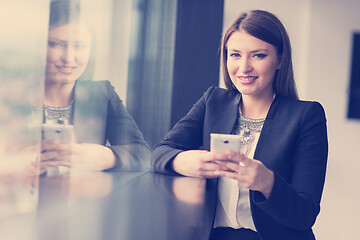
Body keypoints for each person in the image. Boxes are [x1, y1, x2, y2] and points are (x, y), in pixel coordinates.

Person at [151, 10, 328, 240]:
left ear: (280, 60)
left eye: (258, 55)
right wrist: (185, 161)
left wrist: (267, 183)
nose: (243, 67)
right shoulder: (212, 101)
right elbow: (159, 153)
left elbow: (305, 214)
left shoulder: (307, 116)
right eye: (235, 55)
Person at [40, 0, 150, 173]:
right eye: (57, 44)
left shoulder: (102, 94)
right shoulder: (12, 93)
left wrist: (105, 157)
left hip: (83, 196)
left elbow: (142, 154)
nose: (69, 57)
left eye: (79, 46)